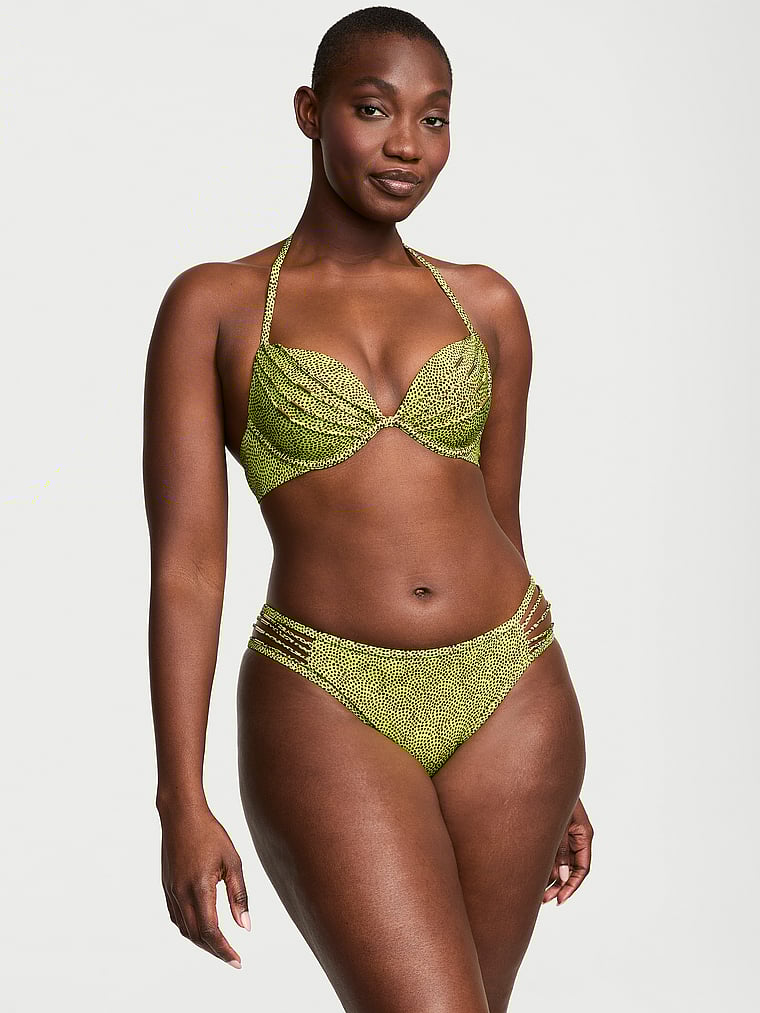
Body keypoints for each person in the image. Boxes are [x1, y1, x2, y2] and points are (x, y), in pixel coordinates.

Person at [143, 6, 592, 1011]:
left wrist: (562, 778)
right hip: (325, 693)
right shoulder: (215, 307)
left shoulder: (486, 304)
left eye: (434, 118)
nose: (407, 146)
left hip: (515, 688)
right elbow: (188, 567)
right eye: (374, 109)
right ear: (311, 112)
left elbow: (500, 518)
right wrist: (182, 796)